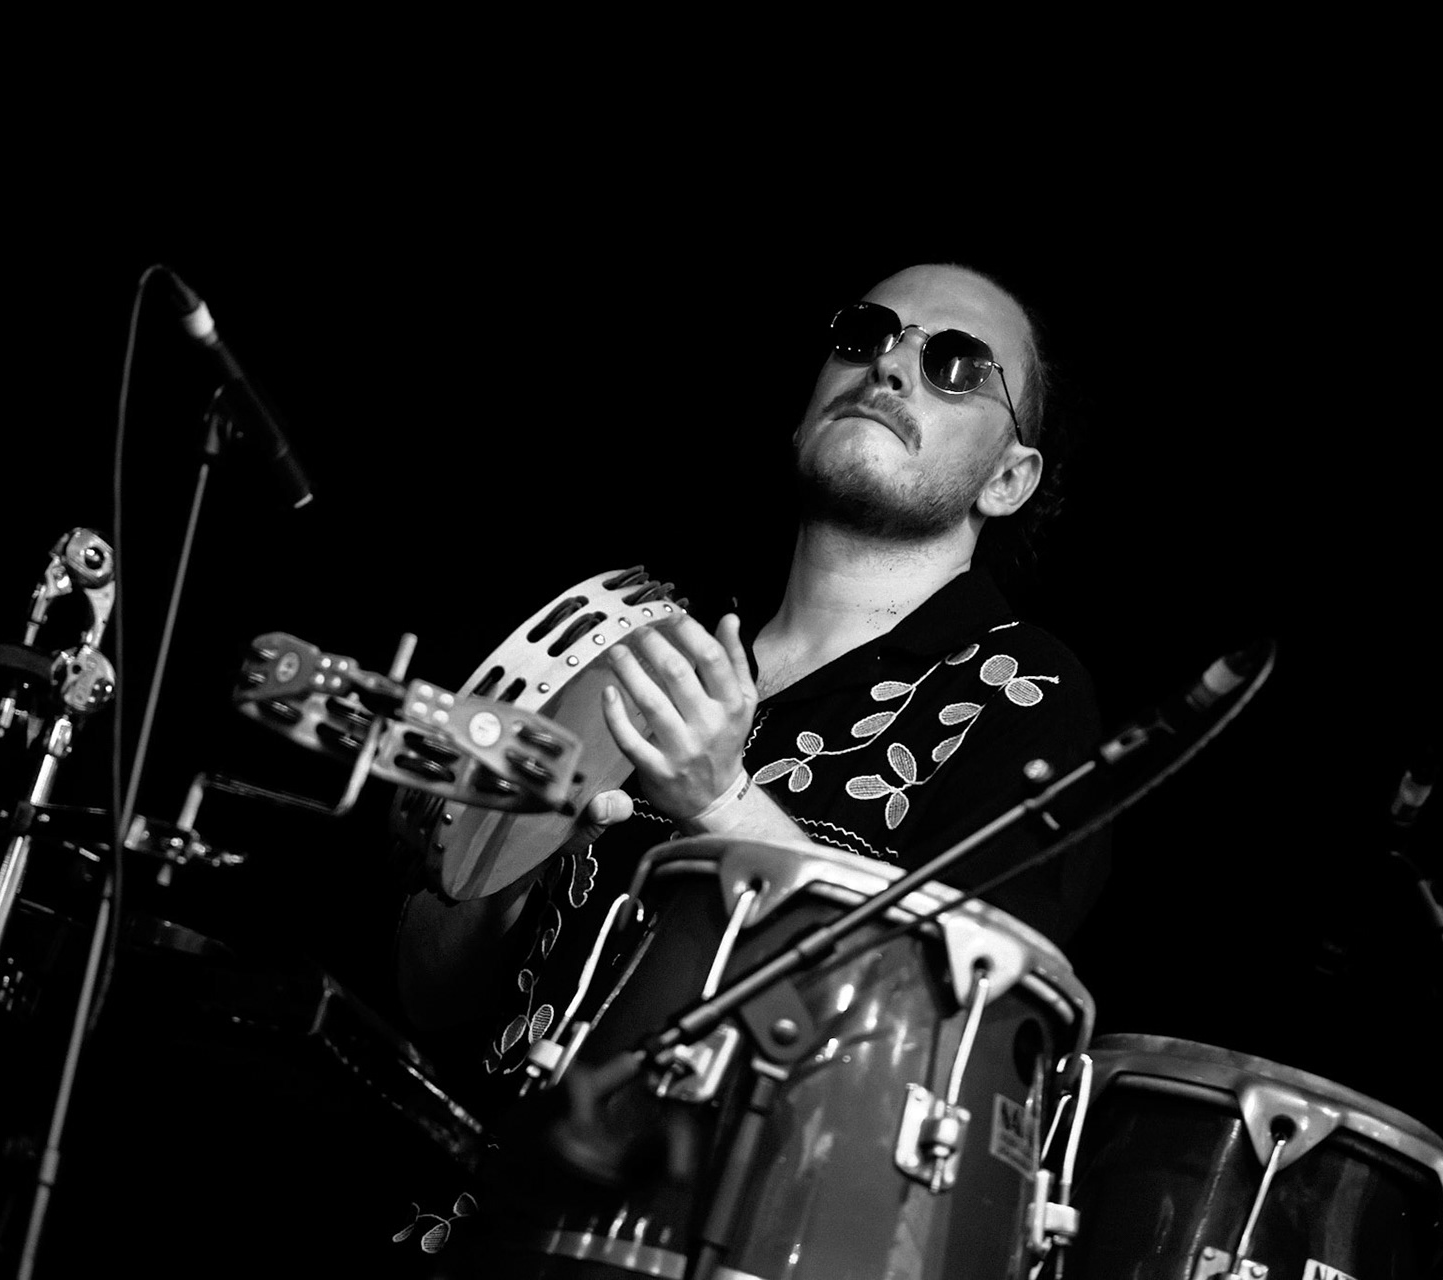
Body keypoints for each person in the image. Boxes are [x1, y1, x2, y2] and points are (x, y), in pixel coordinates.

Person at [396, 261, 1107, 1102]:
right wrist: (501, 862)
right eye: (866, 335)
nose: (889, 366)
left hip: (730, 1225)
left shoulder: (1024, 692)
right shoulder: (653, 640)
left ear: (1008, 478)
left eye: (955, 365)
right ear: (803, 414)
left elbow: (944, 1045)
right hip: (478, 1205)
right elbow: (430, 995)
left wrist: (721, 800)